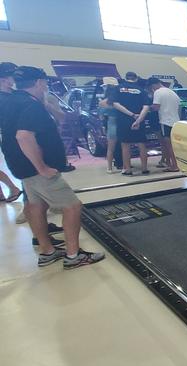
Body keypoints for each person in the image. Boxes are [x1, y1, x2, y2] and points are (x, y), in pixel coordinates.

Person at [1, 66, 104, 268]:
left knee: (35, 205)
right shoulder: (30, 105)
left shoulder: (11, 101)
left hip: (21, 167)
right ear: (40, 83)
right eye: (45, 83)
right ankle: (74, 256)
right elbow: (24, 136)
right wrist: (42, 168)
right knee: (72, 206)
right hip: (37, 169)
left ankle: (47, 251)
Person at [114, 72, 150, 176]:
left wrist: (131, 115)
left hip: (123, 120)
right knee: (141, 144)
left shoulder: (117, 89)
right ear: (136, 79)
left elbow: (115, 104)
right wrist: (138, 120)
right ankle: (144, 168)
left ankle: (128, 169)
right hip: (139, 119)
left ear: (125, 78)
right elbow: (146, 107)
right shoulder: (141, 90)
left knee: (125, 145)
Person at [0, 62, 23, 203]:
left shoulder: (18, 95)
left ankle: (30, 204)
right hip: (9, 138)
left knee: (29, 171)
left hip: (19, 138)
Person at [147, 77, 180, 172]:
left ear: (153, 85)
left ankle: (174, 166)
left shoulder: (158, 92)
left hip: (165, 121)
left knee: (168, 145)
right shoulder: (172, 92)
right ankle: (171, 163)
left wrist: (146, 108)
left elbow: (156, 107)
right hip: (175, 121)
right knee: (172, 145)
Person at [98, 78, 121, 173]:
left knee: (110, 149)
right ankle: (124, 165)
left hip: (111, 124)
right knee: (124, 146)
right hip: (121, 123)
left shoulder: (102, 102)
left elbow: (101, 117)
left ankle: (109, 168)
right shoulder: (120, 99)